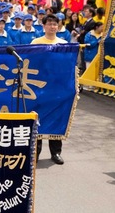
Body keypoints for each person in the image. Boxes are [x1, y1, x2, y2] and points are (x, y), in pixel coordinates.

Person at [31, 14, 67, 165]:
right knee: (38, 119)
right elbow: (32, 63)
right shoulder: (36, 42)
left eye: (55, 24)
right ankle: (35, 152)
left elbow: (67, 68)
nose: (52, 26)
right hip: (40, 87)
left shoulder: (64, 44)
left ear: (58, 27)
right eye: (49, 24)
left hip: (57, 88)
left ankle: (56, 152)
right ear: (43, 26)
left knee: (57, 119)